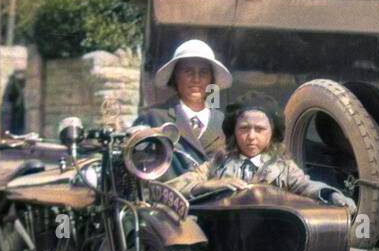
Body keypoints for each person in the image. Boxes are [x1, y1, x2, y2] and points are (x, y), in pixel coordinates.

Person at [167, 96, 356, 211]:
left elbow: (305, 185)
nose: (251, 137)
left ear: (272, 133)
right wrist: (210, 185)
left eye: (259, 129)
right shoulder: (219, 162)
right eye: (244, 128)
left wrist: (331, 195)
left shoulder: (282, 167)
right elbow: (176, 185)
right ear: (234, 131)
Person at [136, 39, 231, 167]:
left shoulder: (225, 123)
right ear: (175, 76)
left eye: (203, 72)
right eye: (188, 71)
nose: (196, 79)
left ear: (211, 79)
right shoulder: (154, 117)